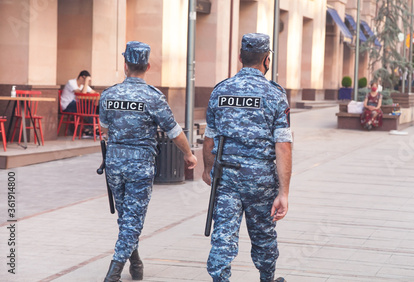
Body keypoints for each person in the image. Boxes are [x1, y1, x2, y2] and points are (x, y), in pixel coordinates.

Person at [99, 41, 197, 281]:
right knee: (132, 220)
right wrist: (188, 153)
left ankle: (136, 263)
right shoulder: (152, 97)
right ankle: (113, 272)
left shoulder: (109, 94)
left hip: (114, 162)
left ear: (125, 66)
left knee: (126, 217)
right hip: (140, 165)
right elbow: (173, 131)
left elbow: (103, 129)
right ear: (148, 66)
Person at [202, 33, 292, 282]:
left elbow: (209, 137)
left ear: (240, 57)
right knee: (263, 235)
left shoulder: (221, 90)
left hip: (226, 176)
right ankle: (267, 278)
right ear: (267, 59)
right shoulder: (274, 94)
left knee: (223, 236)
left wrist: (208, 169)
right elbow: (283, 146)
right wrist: (283, 192)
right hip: (260, 180)